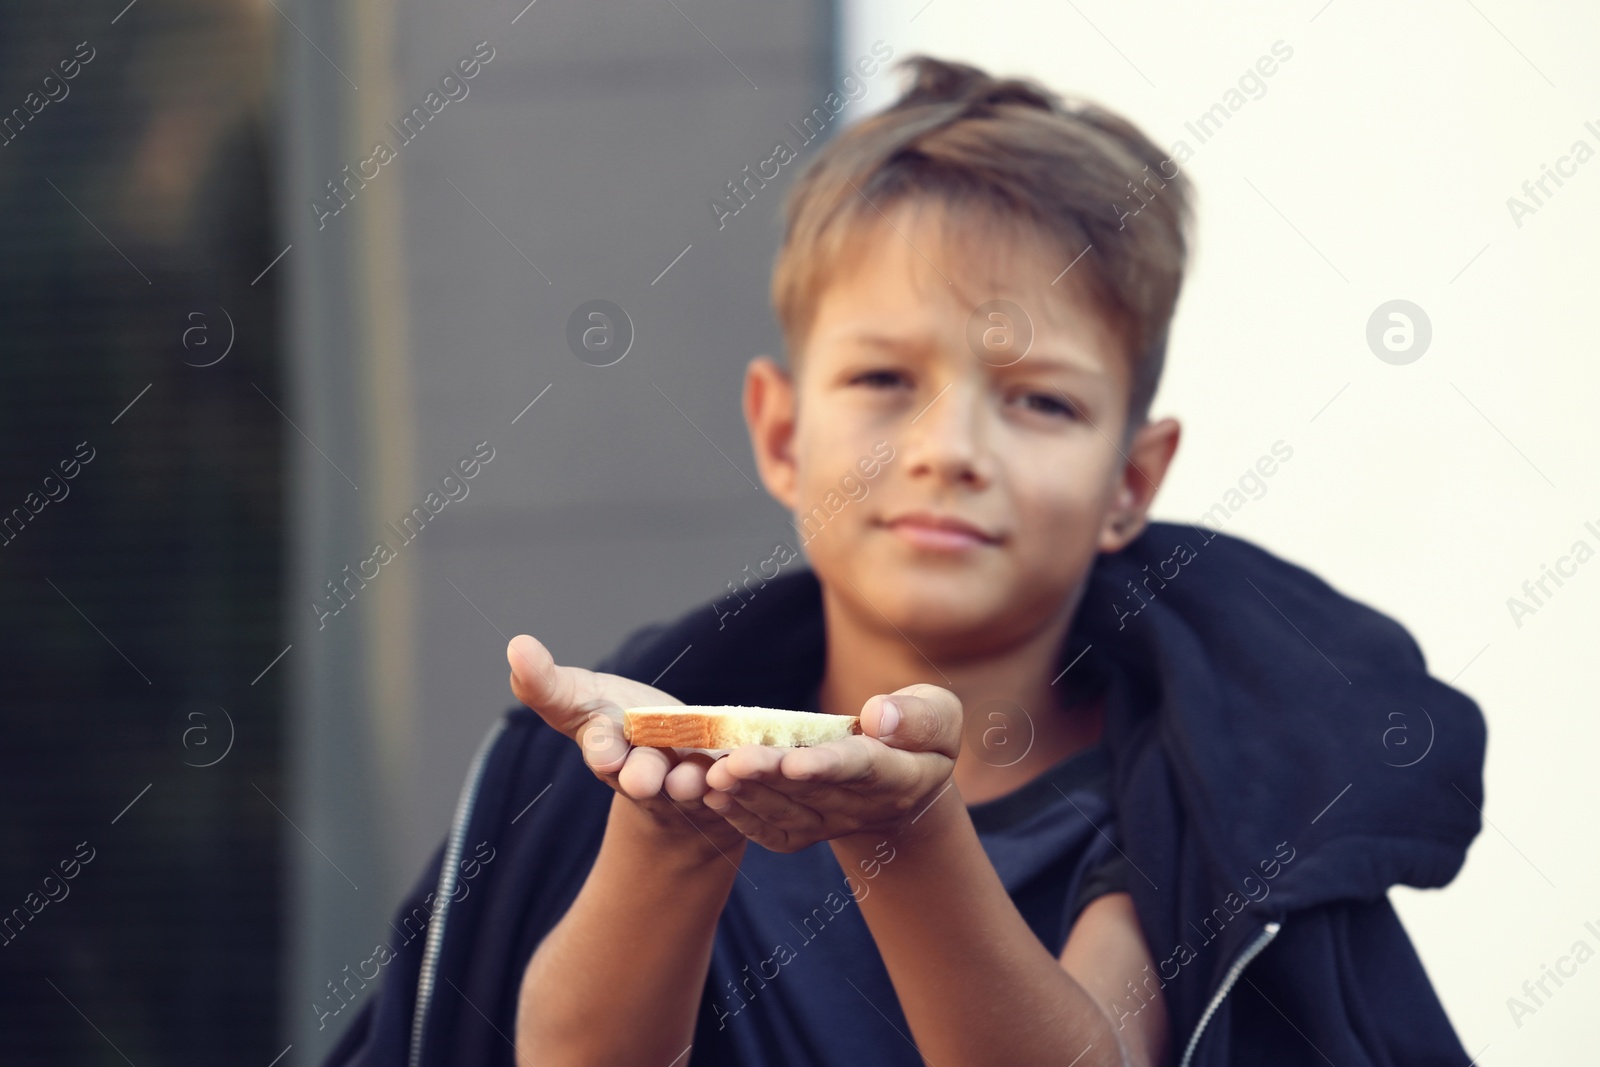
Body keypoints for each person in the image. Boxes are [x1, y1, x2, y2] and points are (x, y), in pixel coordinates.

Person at [322, 55, 1486, 1067]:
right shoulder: (644, 778)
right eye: (884, 381)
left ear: (1130, 480)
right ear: (781, 432)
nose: (949, 451)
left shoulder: (1184, 801)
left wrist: (904, 833)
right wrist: (665, 843)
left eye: (1036, 401)